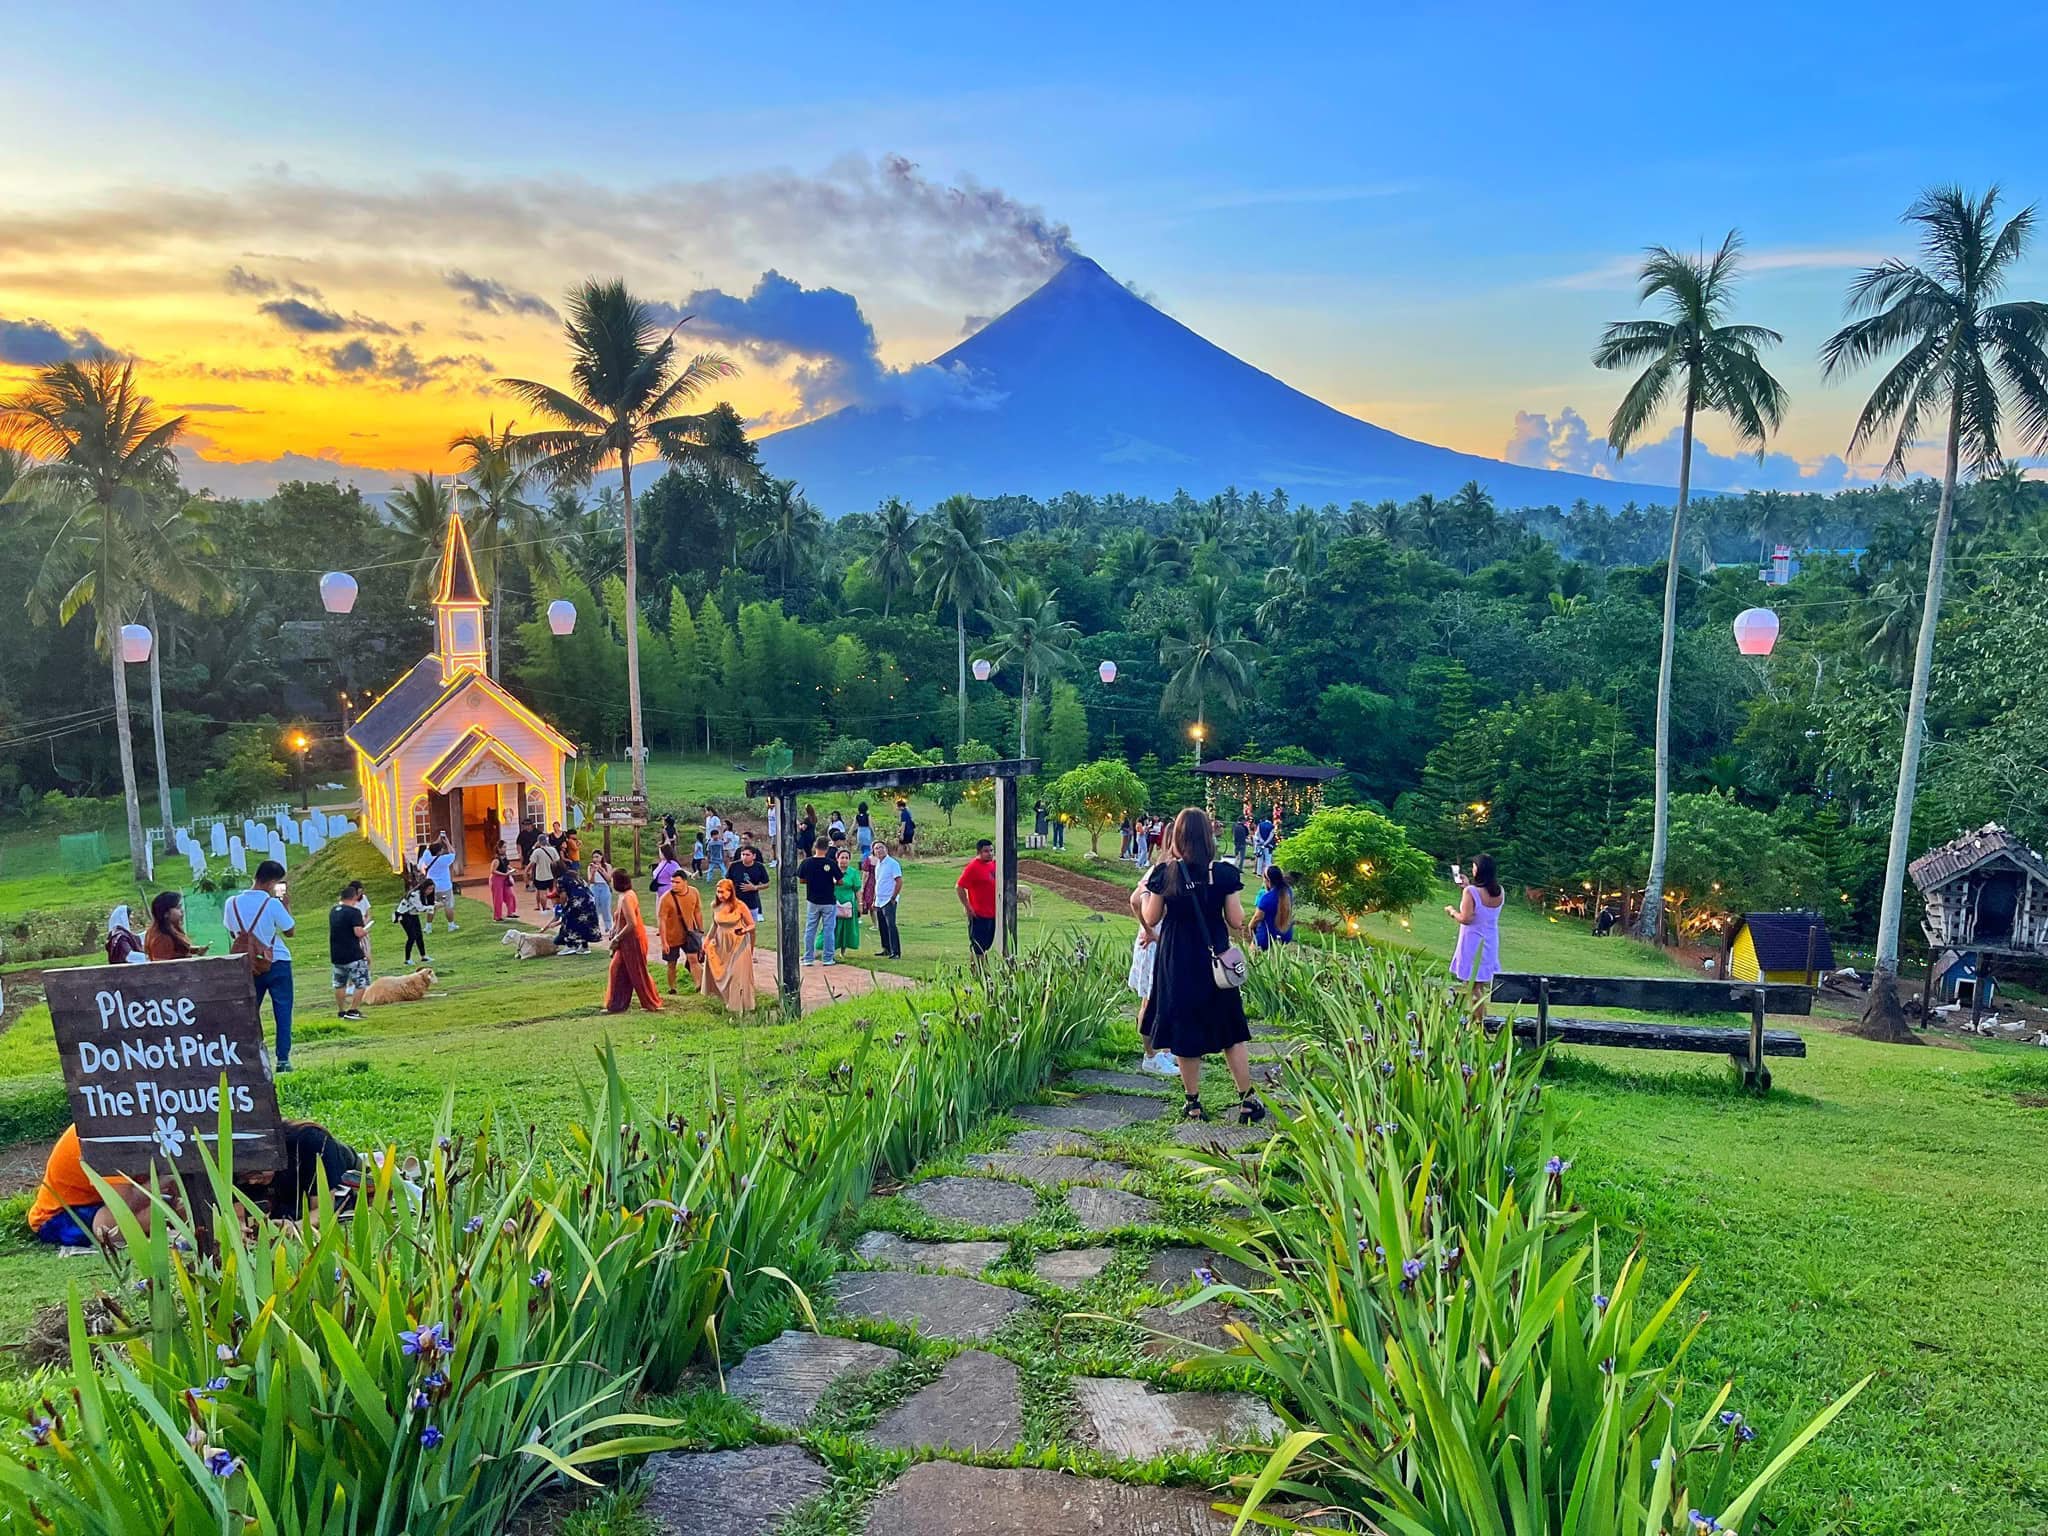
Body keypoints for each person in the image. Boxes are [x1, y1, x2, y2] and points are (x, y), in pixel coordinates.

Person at [1139, 808, 1262, 1126]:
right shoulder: (1222, 873)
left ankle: (1193, 1103)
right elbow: (1236, 921)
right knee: (1230, 1030)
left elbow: (1152, 918)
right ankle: (1247, 1100)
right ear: (1209, 836)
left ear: (1177, 836)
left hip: (1178, 959)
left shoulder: (1166, 873)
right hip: (1214, 960)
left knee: (1184, 1028)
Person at [226, 860, 297, 1071]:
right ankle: (283, 1060)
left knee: (249, 1012)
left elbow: (233, 932)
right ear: (273, 882)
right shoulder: (272, 904)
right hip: (276, 961)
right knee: (282, 1010)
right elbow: (290, 931)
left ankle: (251, 1055)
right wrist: (286, 906)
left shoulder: (232, 903)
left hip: (247, 964)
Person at [27, 1126, 149, 1248]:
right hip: (60, 1216)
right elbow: (123, 1205)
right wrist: (164, 1180)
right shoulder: (106, 1131)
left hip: (105, 1201)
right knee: (113, 1225)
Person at [1128, 815, 1182, 1077]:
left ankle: (1161, 1050)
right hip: (1153, 943)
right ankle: (1150, 1056)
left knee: (1161, 1000)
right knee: (1150, 1001)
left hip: (1161, 941)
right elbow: (1135, 899)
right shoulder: (1161, 871)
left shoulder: (1169, 869)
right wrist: (1149, 930)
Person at [1447, 853, 1505, 1000]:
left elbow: (1466, 918)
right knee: (1478, 986)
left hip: (1472, 942)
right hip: (1490, 941)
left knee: (1472, 987)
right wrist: (1466, 886)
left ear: (1479, 871)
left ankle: (1478, 1021)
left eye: (1474, 868)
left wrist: (1452, 912)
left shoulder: (1471, 892)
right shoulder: (1500, 892)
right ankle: (1478, 1020)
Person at [603, 868, 662, 1013]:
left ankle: (651, 1003)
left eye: (612, 879)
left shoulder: (628, 897)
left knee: (638, 972)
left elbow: (632, 923)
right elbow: (620, 919)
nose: (610, 881)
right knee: (617, 969)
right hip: (624, 940)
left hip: (632, 940)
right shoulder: (622, 896)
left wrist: (617, 938)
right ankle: (616, 1004)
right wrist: (614, 931)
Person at [701, 878, 758, 1014]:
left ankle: (739, 1007)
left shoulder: (740, 906)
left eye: (723, 892)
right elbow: (714, 925)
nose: (720, 895)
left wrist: (744, 930)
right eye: (718, 892)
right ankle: (728, 1001)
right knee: (724, 973)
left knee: (736, 975)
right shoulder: (715, 906)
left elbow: (752, 924)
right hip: (722, 943)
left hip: (738, 943)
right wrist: (707, 939)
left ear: (730, 892)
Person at [657, 869, 705, 995]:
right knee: (671, 963)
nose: (673, 885)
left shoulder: (694, 892)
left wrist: (700, 931)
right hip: (672, 936)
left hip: (689, 933)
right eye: (672, 882)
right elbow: (661, 921)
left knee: (693, 959)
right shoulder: (666, 898)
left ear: (685, 882)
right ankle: (672, 988)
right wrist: (664, 942)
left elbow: (697, 911)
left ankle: (699, 986)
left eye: (677, 882)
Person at [329, 879, 370, 1021]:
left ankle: (341, 1011)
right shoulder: (354, 912)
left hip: (336, 953)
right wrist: (365, 931)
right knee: (361, 982)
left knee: (339, 983)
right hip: (353, 953)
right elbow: (358, 932)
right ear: (354, 898)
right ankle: (353, 1009)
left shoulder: (333, 911)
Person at [797, 840, 840, 966]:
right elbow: (840, 880)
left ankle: (808, 957)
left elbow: (802, 879)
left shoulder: (806, 862)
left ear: (815, 846)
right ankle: (828, 958)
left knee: (810, 929)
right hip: (828, 901)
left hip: (813, 900)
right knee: (829, 930)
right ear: (826, 849)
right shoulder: (830, 863)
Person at [957, 839, 998, 958]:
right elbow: (959, 887)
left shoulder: (994, 864)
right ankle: (977, 972)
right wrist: (968, 906)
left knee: (986, 946)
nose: (989, 853)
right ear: (979, 852)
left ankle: (983, 972)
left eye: (991, 850)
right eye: (986, 851)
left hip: (993, 913)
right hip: (979, 913)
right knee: (978, 947)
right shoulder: (973, 867)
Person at [552, 867, 603, 954]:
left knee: (570, 920)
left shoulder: (561, 879)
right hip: (589, 899)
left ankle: (571, 945)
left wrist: (563, 906)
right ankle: (584, 946)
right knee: (585, 921)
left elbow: (563, 896)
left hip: (578, 901)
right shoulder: (574, 875)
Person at [143, 890, 206, 960]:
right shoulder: (161, 938)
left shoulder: (172, 927)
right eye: (178, 908)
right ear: (165, 913)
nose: (182, 910)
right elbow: (161, 966)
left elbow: (177, 948)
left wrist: (196, 950)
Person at [870, 840, 904, 959]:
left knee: (891, 925)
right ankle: (886, 948)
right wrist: (874, 899)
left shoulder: (892, 863)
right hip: (880, 899)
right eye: (876, 848)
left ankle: (896, 951)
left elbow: (899, 881)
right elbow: (878, 882)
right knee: (882, 925)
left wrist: (893, 897)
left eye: (881, 847)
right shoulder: (878, 864)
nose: (879, 850)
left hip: (889, 899)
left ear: (886, 849)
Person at [1253, 865, 1295, 950]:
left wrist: (1250, 928)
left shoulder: (1266, 898)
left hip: (1266, 938)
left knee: (1250, 959)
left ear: (1267, 880)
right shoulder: (1288, 892)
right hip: (1286, 935)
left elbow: (1256, 919)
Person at [422, 839, 458, 932]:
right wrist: (447, 842)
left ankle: (428, 927)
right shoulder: (444, 859)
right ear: (439, 851)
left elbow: (428, 849)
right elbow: (453, 853)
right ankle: (451, 925)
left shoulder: (427, 858)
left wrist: (437, 840)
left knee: (431, 905)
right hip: (444, 886)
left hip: (432, 887)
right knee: (448, 905)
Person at [395, 876, 432, 965]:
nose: (430, 891)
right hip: (404, 915)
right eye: (429, 889)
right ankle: (407, 959)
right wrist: (433, 907)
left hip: (413, 914)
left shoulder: (422, 895)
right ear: (424, 888)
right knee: (412, 936)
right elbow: (420, 908)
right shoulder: (415, 895)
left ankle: (423, 956)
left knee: (419, 935)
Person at [834, 846, 862, 955]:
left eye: (846, 858)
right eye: (842, 857)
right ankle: (828, 949)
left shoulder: (853, 873)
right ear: (837, 858)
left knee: (847, 928)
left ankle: (843, 951)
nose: (844, 860)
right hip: (834, 902)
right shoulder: (833, 870)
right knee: (833, 926)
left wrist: (860, 904)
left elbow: (857, 889)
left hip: (848, 905)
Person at [731, 844, 770, 917]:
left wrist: (755, 887)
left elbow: (766, 884)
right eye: (743, 854)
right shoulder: (734, 866)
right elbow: (728, 881)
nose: (745, 857)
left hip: (752, 902)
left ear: (754, 856)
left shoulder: (759, 867)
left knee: (751, 926)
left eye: (747, 855)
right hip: (736, 902)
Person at [528, 834, 559, 916]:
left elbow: (532, 862)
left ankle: (544, 909)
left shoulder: (537, 851)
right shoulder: (553, 849)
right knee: (553, 892)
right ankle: (555, 908)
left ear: (539, 842)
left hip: (541, 875)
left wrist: (528, 871)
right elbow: (557, 861)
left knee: (542, 893)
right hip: (552, 875)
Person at [489, 840, 518, 922]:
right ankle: (497, 916)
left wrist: (512, 869)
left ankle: (510, 912)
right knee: (498, 898)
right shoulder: (496, 859)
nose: (505, 849)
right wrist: (504, 874)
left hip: (504, 878)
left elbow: (507, 865)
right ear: (499, 848)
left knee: (510, 895)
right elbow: (493, 871)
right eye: (504, 847)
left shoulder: (504, 857)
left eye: (506, 847)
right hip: (496, 879)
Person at [587, 850, 615, 929]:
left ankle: (608, 927)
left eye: (597, 857)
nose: (595, 859)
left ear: (601, 857)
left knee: (606, 907)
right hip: (594, 887)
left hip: (604, 887)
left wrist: (601, 869)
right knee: (594, 908)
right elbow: (591, 881)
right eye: (593, 857)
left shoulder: (607, 866)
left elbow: (609, 878)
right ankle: (595, 926)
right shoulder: (590, 866)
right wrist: (593, 872)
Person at [1253, 813, 1276, 878]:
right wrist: (1266, 843)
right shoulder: (1272, 826)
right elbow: (1271, 836)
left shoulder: (1260, 825)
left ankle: (1258, 873)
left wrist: (1261, 841)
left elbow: (1257, 834)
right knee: (1268, 860)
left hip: (1260, 844)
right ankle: (1267, 874)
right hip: (1268, 846)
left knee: (1260, 859)